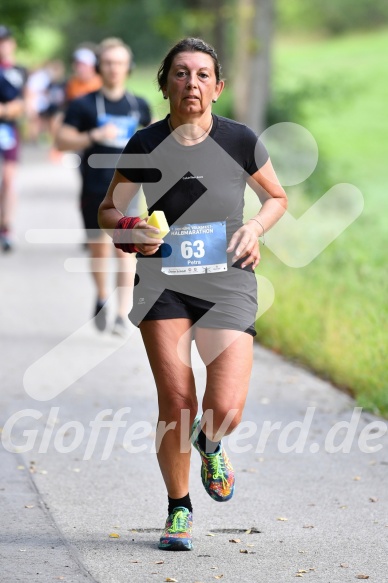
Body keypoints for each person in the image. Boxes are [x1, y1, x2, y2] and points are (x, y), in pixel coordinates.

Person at [98, 37, 288, 550]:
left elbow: (276, 197)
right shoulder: (143, 143)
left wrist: (255, 228)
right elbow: (109, 211)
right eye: (181, 74)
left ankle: (210, 442)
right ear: (164, 86)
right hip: (162, 284)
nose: (192, 84)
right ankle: (178, 509)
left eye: (203, 75)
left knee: (224, 409)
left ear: (218, 88)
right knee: (176, 401)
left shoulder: (240, 139)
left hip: (227, 281)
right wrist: (133, 227)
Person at [56, 38, 151, 335]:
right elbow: (61, 140)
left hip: (129, 191)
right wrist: (94, 135)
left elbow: (152, 141)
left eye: (120, 63)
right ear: (99, 67)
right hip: (95, 190)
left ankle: (122, 313)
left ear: (129, 67)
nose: (114, 69)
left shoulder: (139, 106)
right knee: (100, 251)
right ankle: (101, 298)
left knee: (125, 251)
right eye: (108, 63)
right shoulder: (83, 105)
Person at [0, 25, 27, 252]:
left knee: (8, 179)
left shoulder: (17, 71)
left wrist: (6, 110)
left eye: (4, 41)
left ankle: (6, 227)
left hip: (6, 130)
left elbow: (22, 104)